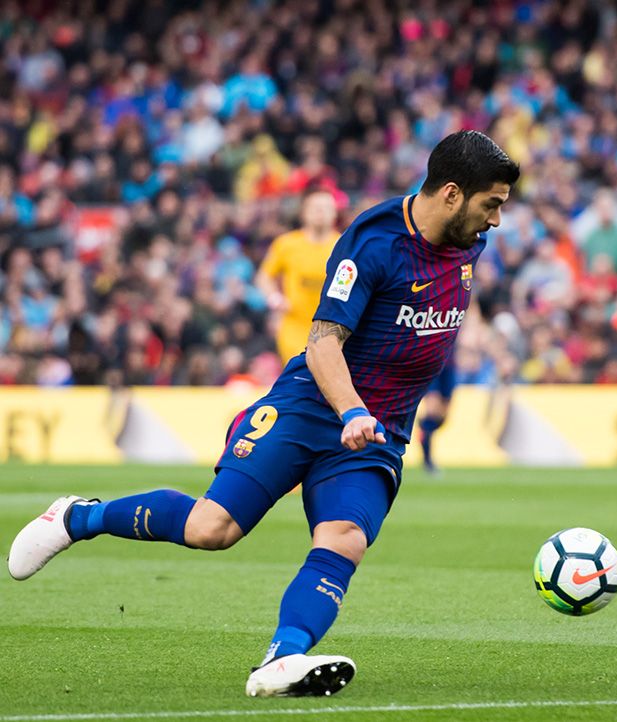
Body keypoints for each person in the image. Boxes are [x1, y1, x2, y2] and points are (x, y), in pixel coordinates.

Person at [8, 131, 519, 698]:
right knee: (212, 529)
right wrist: (350, 409)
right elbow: (324, 342)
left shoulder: (469, 243)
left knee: (344, 538)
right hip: (313, 406)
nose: (497, 219)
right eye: (491, 204)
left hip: (380, 432)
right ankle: (77, 518)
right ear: (451, 193)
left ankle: (283, 659)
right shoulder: (372, 244)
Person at [255, 185, 341, 361]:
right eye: (315, 208)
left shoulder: (343, 246)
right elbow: (264, 276)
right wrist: (274, 298)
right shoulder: (286, 244)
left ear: (334, 213)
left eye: (325, 208)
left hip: (331, 329)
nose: (320, 213)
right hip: (294, 327)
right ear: (304, 213)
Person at [418, 359, 456, 476]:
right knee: (432, 410)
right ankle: (427, 460)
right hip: (432, 361)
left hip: (449, 364)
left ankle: (422, 427)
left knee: (442, 416)